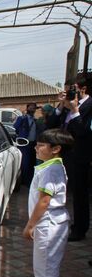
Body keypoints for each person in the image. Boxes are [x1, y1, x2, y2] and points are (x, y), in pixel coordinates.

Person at [19, 129, 74, 277]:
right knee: (42, 262)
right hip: (48, 223)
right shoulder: (50, 166)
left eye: (41, 145)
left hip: (48, 224)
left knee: (47, 263)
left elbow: (44, 201)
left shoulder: (51, 170)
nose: (36, 148)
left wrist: (30, 225)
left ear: (56, 149)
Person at [58, 75, 92, 242]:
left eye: (72, 89)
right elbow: (55, 125)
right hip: (66, 155)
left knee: (80, 195)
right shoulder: (68, 106)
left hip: (80, 157)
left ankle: (79, 229)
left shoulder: (89, 106)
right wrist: (62, 106)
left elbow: (84, 132)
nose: (69, 93)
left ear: (82, 89)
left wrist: (75, 111)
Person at [14, 103, 39, 185]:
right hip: (24, 144)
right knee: (25, 162)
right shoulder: (22, 118)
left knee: (32, 163)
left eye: (34, 108)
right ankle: (24, 181)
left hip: (33, 144)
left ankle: (30, 180)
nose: (32, 109)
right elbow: (16, 128)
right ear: (27, 108)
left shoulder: (35, 120)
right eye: (31, 107)